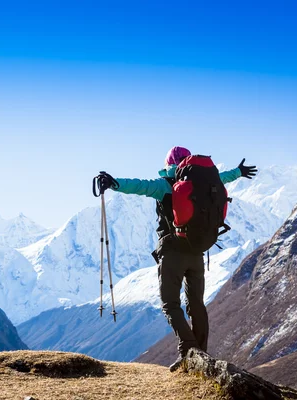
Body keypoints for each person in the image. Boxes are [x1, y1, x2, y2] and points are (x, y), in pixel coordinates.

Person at [97, 146, 257, 372]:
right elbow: (221, 178)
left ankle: (189, 352)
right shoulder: (201, 183)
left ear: (169, 165)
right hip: (197, 252)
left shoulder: (165, 186)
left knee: (170, 304)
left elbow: (139, 186)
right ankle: (202, 355)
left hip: (173, 253)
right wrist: (238, 172)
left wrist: (114, 183)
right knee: (196, 305)